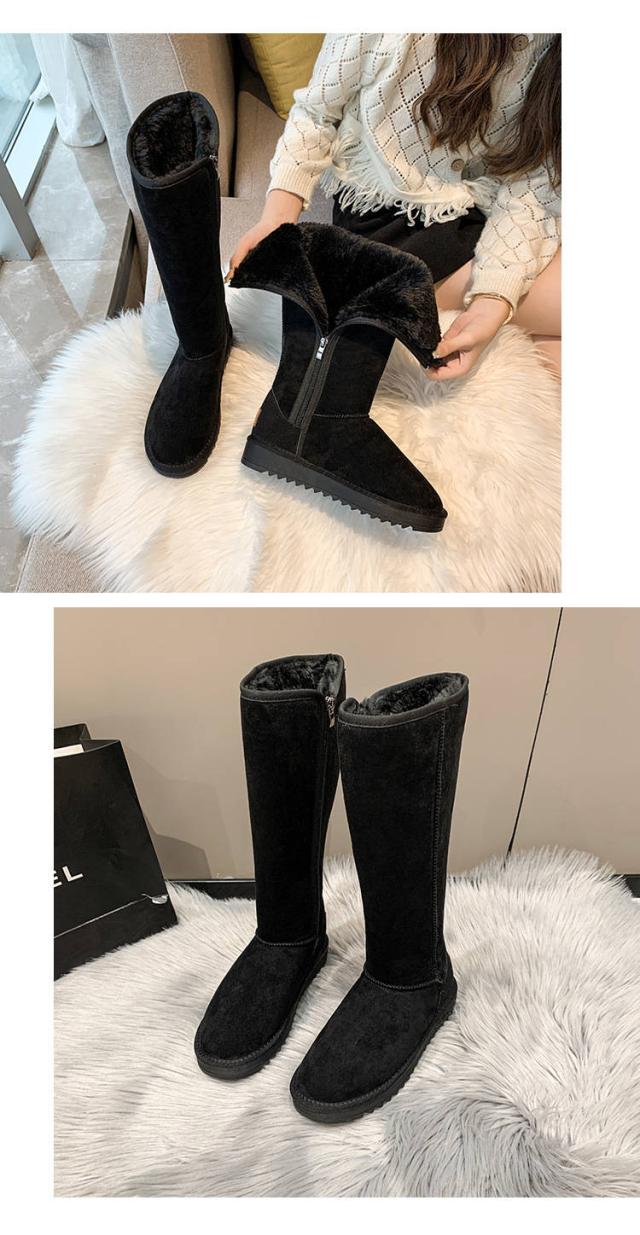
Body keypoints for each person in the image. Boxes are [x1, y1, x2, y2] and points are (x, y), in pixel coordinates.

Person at [229, 34, 561, 378]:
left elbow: (535, 183)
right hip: (392, 218)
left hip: (488, 209)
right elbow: (317, 113)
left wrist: (493, 298)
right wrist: (277, 219)